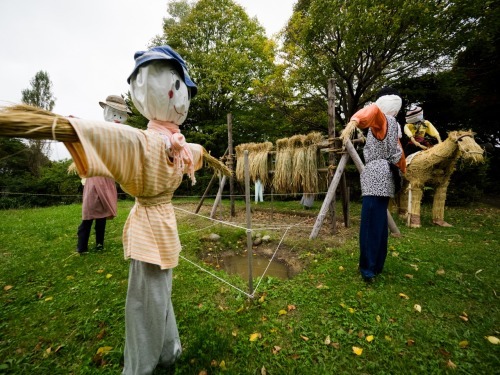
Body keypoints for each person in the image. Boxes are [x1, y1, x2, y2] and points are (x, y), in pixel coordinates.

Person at [340, 88, 406, 282]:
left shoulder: (383, 121)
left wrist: (354, 121)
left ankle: (367, 269)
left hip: (376, 174)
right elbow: (400, 155)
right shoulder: (396, 127)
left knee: (370, 223)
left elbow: (372, 111)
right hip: (388, 176)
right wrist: (402, 174)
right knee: (379, 222)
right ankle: (377, 265)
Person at [76, 95, 130, 254]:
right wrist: (76, 121)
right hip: (94, 178)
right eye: (114, 115)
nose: (117, 119)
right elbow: (86, 128)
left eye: (121, 116)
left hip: (108, 179)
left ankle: (99, 243)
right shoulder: (100, 130)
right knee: (88, 213)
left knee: (102, 213)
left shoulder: (122, 136)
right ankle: (82, 246)